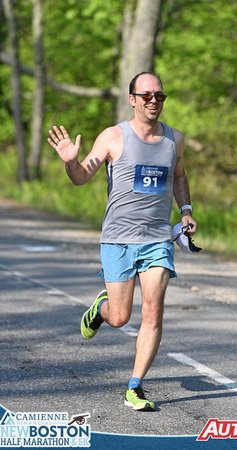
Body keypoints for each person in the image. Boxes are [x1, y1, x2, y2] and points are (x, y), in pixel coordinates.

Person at [48, 72, 197, 411]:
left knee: (154, 310)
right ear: (132, 99)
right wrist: (71, 162)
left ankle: (136, 385)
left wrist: (185, 210)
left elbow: (179, 175)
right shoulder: (114, 137)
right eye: (146, 95)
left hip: (157, 238)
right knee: (119, 317)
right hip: (117, 239)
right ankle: (100, 310)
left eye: (159, 95)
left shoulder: (175, 139)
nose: (153, 100)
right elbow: (82, 176)